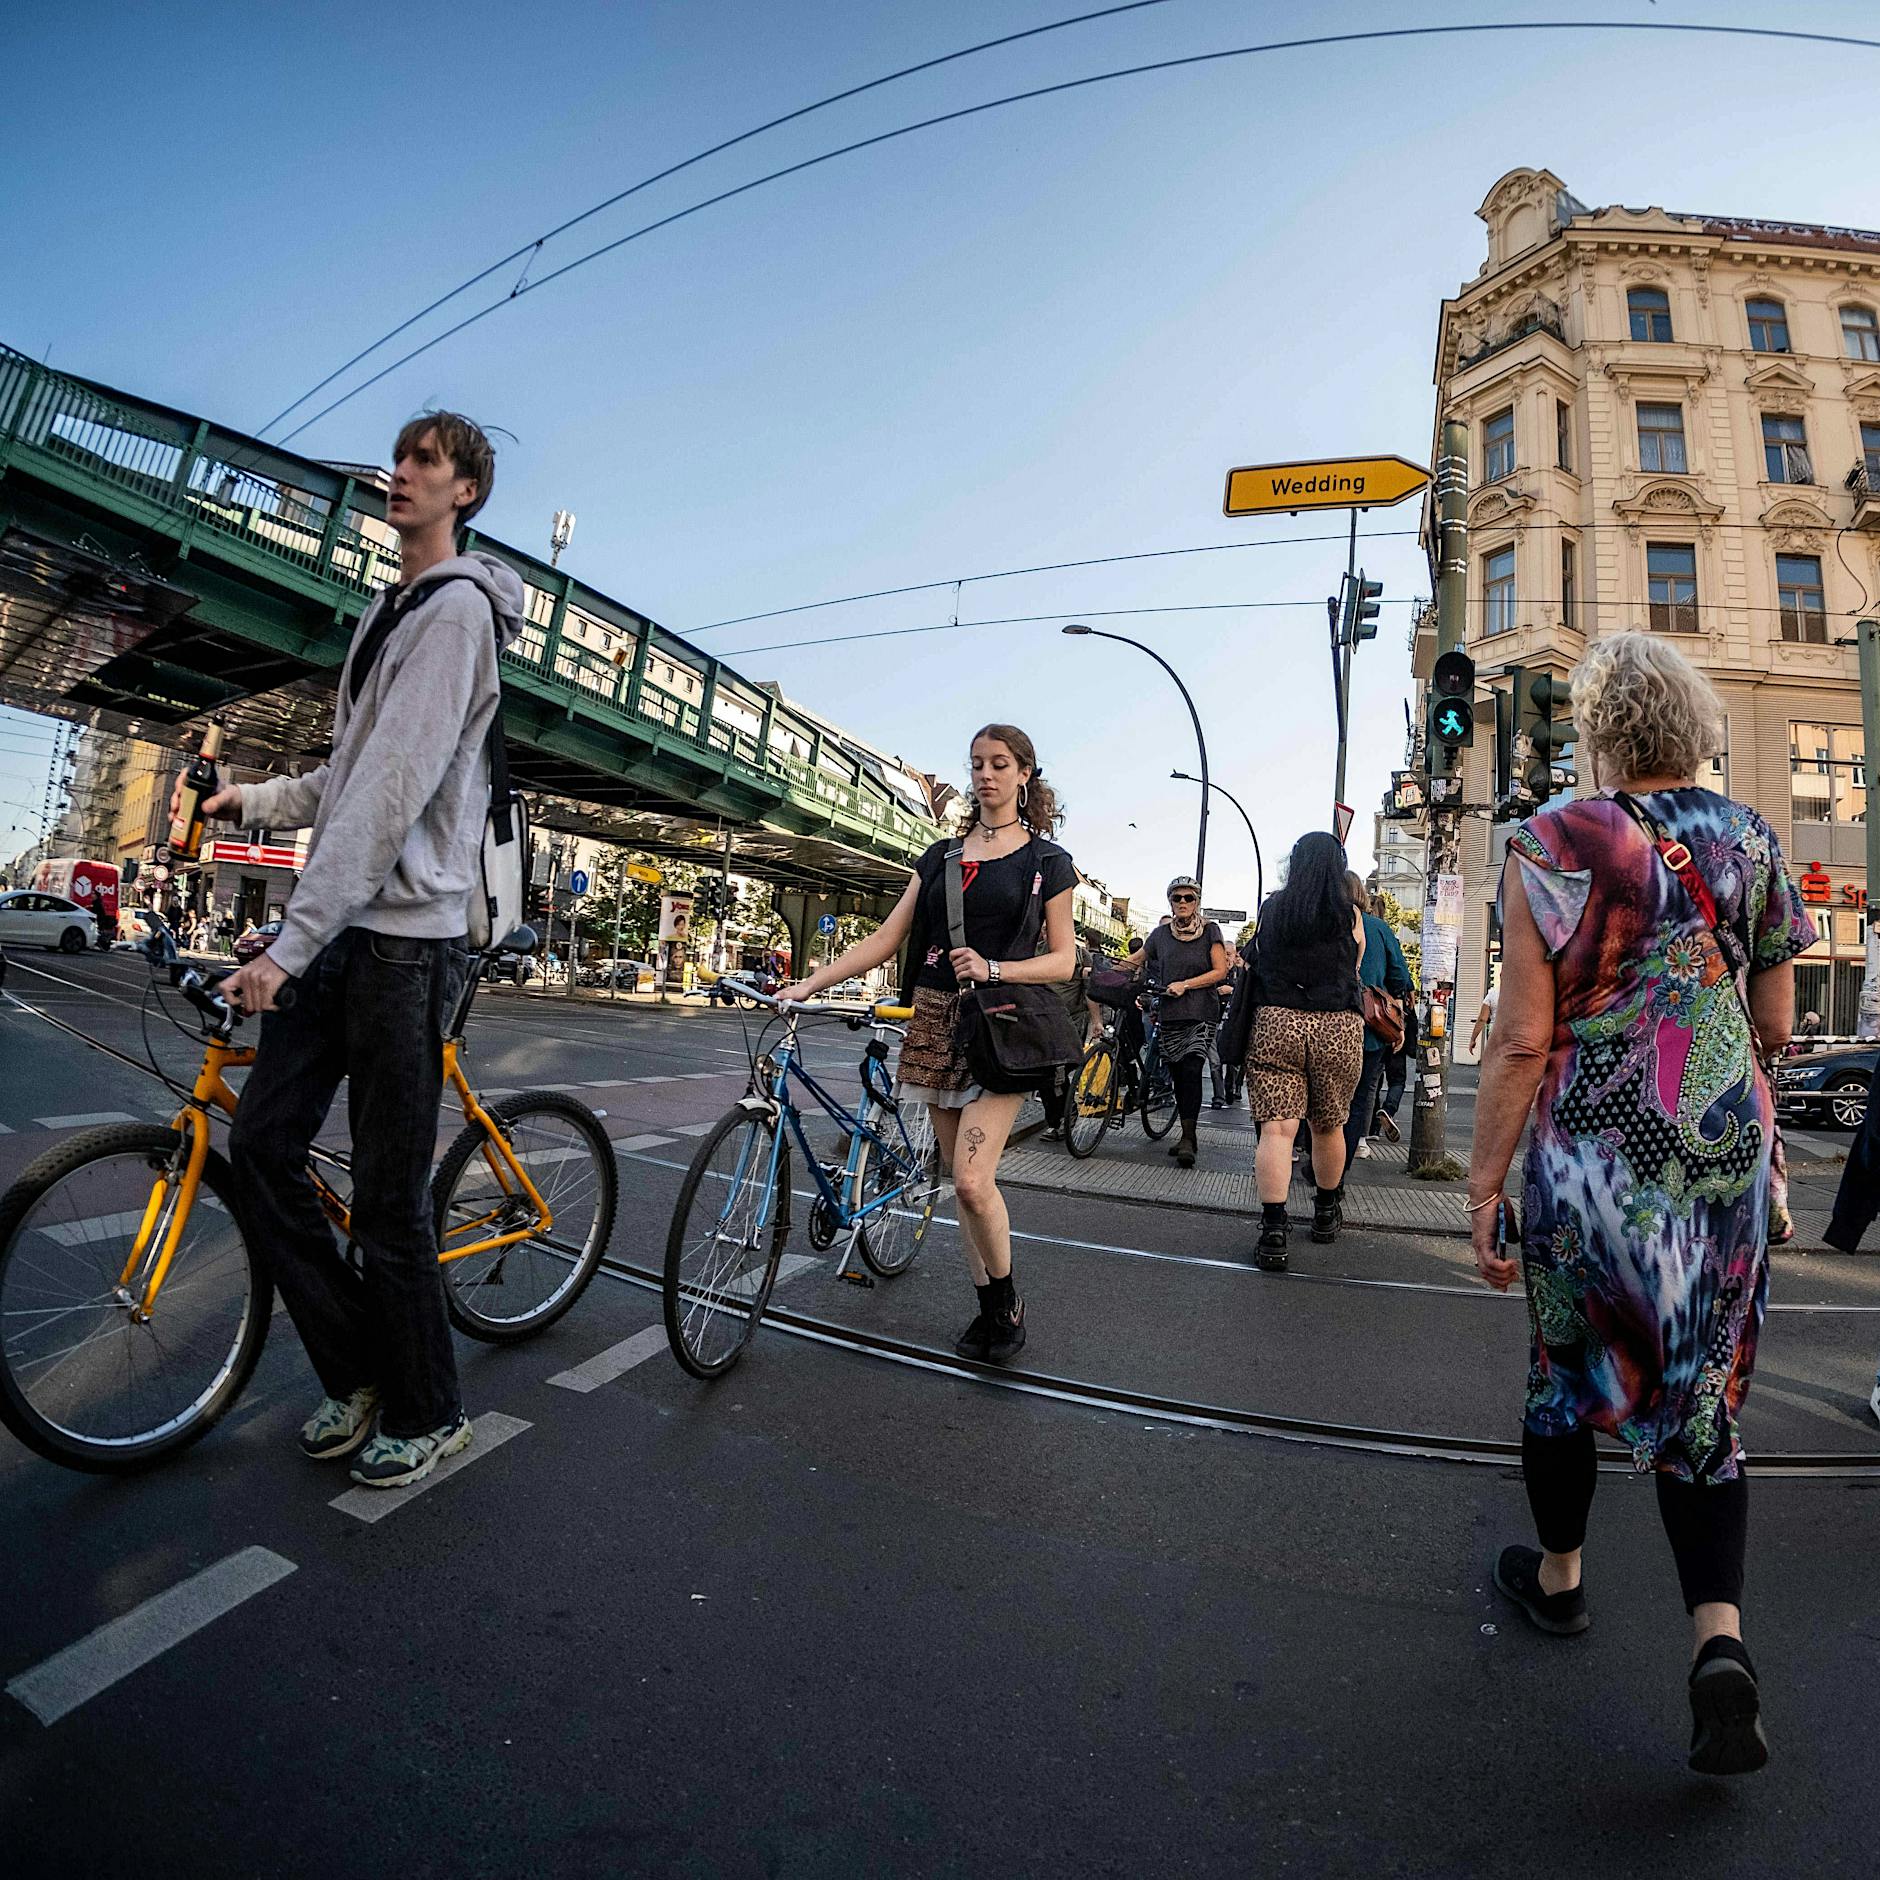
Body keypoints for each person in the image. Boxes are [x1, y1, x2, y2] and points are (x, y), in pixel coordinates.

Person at [1467, 631, 1812, 1776]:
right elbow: (1770, 1026)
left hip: (1589, 1169)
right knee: (1700, 1397)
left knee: (1566, 1373)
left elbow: (1520, 1037)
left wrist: (1480, 1185)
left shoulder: (1552, 841)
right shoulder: (1751, 838)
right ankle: (1716, 1640)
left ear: (1601, 731)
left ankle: (1559, 1582)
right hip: (1716, 1165)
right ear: (1697, 725)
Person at [192, 410, 523, 1490]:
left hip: (399, 949)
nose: (403, 473)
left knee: (386, 1199)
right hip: (344, 934)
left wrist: (289, 943)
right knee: (264, 1147)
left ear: (464, 492)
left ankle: (432, 1407)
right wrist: (253, 794)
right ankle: (360, 1366)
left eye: (427, 462)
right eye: (402, 457)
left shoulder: (456, 614)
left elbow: (393, 791)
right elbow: (347, 773)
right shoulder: (392, 607)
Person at [779, 724, 1075, 1362]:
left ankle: (1007, 1305)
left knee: (972, 1181)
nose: (986, 775)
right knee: (956, 1181)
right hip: (937, 1018)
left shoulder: (1047, 862)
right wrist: (809, 982)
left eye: (1000, 764)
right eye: (977, 764)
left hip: (1001, 1024)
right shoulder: (939, 855)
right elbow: (885, 940)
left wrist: (996, 969)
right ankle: (989, 1305)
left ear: (1024, 774)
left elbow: (1063, 961)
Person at [1244, 833, 1365, 1269]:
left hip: (1278, 1021)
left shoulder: (1273, 909)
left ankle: (1274, 1231)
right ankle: (1326, 1213)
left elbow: (1258, 956)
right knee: (1328, 1125)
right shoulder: (1349, 914)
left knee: (1277, 1130)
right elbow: (1352, 967)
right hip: (1337, 1024)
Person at [1136, 878, 1231, 1167]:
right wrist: (1107, 972)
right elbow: (1136, 959)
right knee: (1178, 1074)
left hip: (1201, 1011)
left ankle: (1189, 1138)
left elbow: (1220, 970)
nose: (1182, 902)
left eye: (1188, 897)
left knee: (1191, 1069)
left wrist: (1186, 985)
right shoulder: (1160, 935)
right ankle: (1186, 1133)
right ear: (1170, 901)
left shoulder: (1210, 931)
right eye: (1177, 898)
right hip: (1171, 1013)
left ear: (1197, 901)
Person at [1344, 876, 1413, 1170]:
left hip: (1327, 1023)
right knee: (1361, 1095)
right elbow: (1399, 976)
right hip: (1369, 1027)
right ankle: (1347, 1156)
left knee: (1324, 1096)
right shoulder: (1380, 928)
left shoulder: (1320, 923)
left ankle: (1314, 1152)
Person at [1039, 935, 1095, 1141]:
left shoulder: (1080, 955)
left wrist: (1096, 1022)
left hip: (1070, 1023)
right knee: (1044, 1074)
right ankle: (1059, 1118)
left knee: (1057, 1072)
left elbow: (1091, 993)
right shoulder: (1034, 949)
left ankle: (1062, 1119)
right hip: (1041, 1022)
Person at [1375, 995, 1417, 1144]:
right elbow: (1407, 994)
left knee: (1372, 1083)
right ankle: (1388, 1109)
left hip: (1375, 1028)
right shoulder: (1399, 980)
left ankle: (1370, 1129)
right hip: (1394, 1032)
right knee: (1397, 1081)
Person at [1468, 976, 1499, 1055]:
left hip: (1495, 1033)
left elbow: (1482, 1019)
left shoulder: (1493, 993)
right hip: (1514, 1035)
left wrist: (1473, 1039)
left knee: (1493, 1061)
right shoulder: (1519, 995)